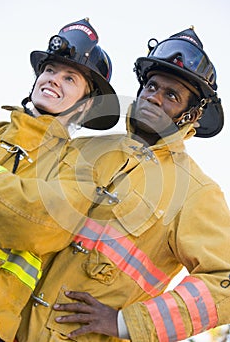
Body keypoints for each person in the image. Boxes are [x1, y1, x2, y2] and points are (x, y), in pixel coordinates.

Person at [16, 27, 230, 342]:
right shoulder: (84, 149)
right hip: (13, 328)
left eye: (171, 95)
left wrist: (126, 322)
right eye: (152, 86)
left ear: (191, 114)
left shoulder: (196, 192)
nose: (155, 97)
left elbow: (224, 280)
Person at [0, 18, 119, 342]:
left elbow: (37, 224)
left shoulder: (79, 168)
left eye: (69, 78)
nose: (53, 80)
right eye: (49, 70)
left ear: (86, 105)